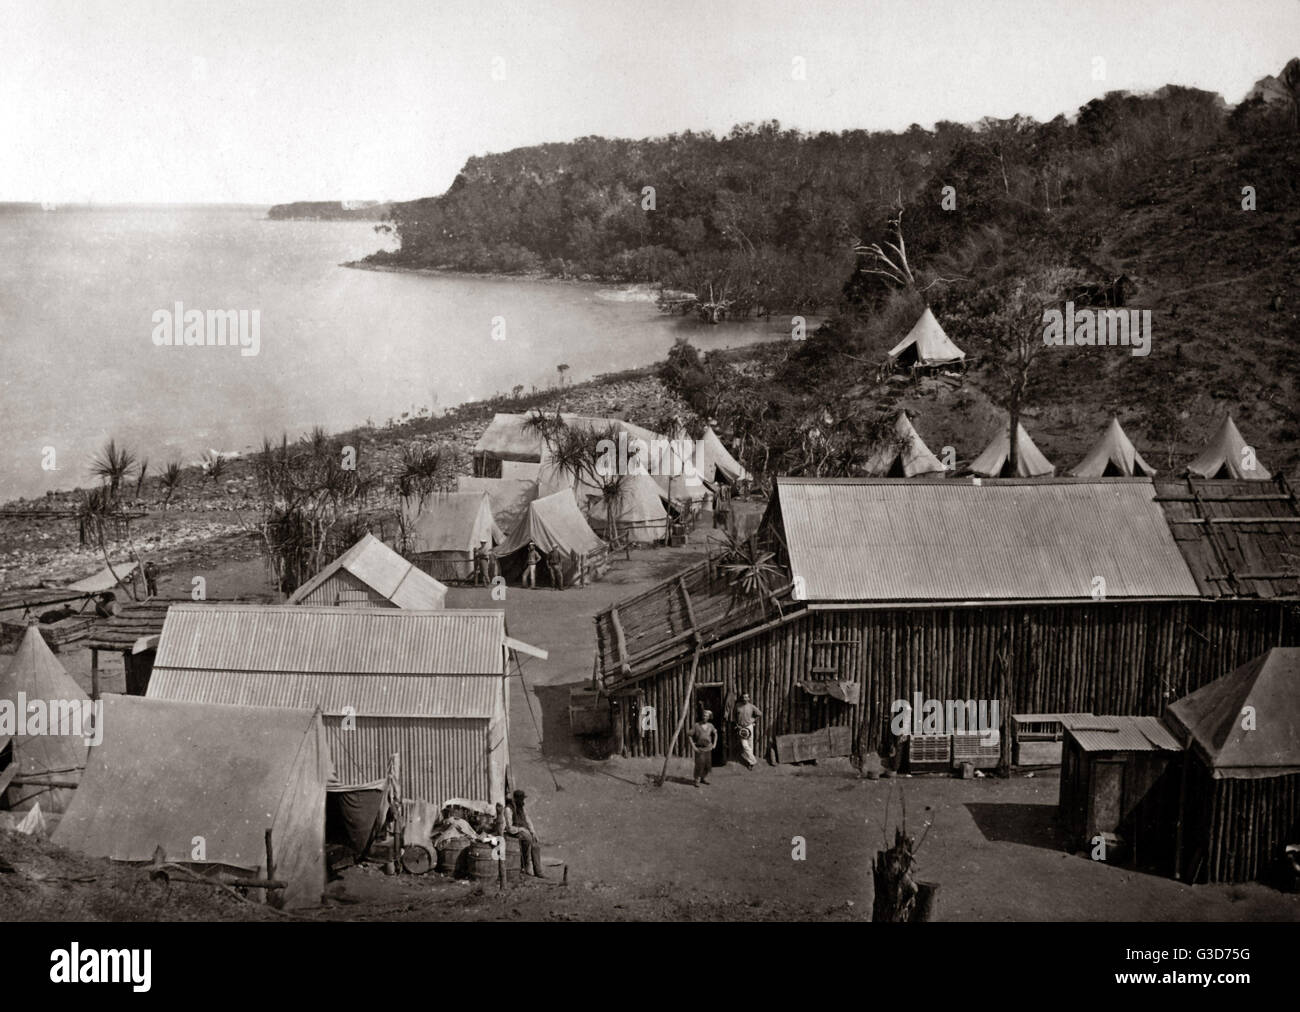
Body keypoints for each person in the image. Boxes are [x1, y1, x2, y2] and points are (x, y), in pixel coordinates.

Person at [506, 789, 545, 877]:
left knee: (535, 844)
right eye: (521, 799)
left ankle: (538, 871)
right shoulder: (508, 809)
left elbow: (528, 820)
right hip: (515, 832)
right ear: (516, 799)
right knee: (527, 839)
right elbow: (509, 828)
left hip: (524, 831)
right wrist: (521, 829)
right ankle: (525, 866)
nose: (523, 801)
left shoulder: (522, 808)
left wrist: (533, 832)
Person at [733, 692, 763, 770]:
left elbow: (760, 714)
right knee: (744, 745)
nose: (745, 699)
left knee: (750, 745)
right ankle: (753, 760)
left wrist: (753, 720)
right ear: (741, 698)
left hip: (749, 727)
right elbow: (734, 716)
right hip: (741, 728)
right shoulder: (737, 706)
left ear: (749, 698)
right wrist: (737, 724)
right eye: (744, 697)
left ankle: (750, 763)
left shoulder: (751, 706)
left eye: (746, 697)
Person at [690, 710, 717, 787]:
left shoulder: (711, 725)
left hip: (708, 748)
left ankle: (703, 778)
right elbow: (689, 735)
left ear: (709, 717)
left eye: (706, 716)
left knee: (706, 765)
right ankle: (697, 780)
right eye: (704, 715)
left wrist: (714, 744)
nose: (704, 717)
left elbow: (715, 734)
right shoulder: (696, 725)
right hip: (699, 748)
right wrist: (693, 746)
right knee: (699, 764)